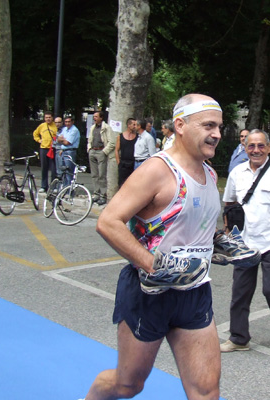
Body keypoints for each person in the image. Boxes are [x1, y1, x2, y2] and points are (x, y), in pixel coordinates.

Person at [83, 94, 223, 400]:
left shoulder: (210, 173)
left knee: (206, 392)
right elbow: (108, 221)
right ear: (180, 125)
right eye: (209, 125)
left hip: (194, 293)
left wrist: (219, 244)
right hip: (149, 294)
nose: (217, 134)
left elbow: (195, 227)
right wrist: (153, 265)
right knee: (128, 385)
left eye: (219, 126)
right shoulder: (157, 170)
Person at [221, 129, 270, 358]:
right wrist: (229, 234)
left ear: (269, 147)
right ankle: (239, 338)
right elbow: (229, 203)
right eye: (251, 146)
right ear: (245, 148)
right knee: (240, 293)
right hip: (245, 243)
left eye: (260, 145)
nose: (256, 150)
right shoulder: (237, 172)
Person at [87, 111, 115, 206]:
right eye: (94, 116)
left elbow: (112, 142)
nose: (94, 118)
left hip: (101, 151)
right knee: (94, 174)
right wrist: (89, 148)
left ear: (101, 118)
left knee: (101, 175)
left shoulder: (106, 128)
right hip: (93, 151)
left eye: (96, 116)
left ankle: (103, 195)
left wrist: (104, 152)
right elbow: (89, 139)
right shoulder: (92, 128)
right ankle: (96, 193)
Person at [33, 111, 57, 192]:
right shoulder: (42, 126)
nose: (48, 119)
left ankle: (53, 186)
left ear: (52, 118)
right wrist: (39, 140)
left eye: (49, 117)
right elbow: (35, 134)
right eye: (46, 117)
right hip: (43, 148)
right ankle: (44, 186)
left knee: (54, 168)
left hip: (52, 149)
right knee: (44, 168)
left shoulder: (55, 126)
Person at [57, 116, 81, 187]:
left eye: (69, 122)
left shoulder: (74, 130)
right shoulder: (64, 129)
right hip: (63, 151)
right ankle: (64, 189)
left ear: (72, 122)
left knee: (69, 172)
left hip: (70, 151)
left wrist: (62, 140)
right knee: (63, 171)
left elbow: (67, 142)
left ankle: (70, 190)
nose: (67, 123)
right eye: (66, 122)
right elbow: (58, 139)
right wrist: (62, 140)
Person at [115, 118, 137, 187]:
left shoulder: (137, 136)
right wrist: (119, 162)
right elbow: (116, 150)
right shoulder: (120, 136)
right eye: (133, 124)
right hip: (123, 163)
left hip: (133, 163)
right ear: (128, 125)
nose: (135, 126)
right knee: (121, 183)